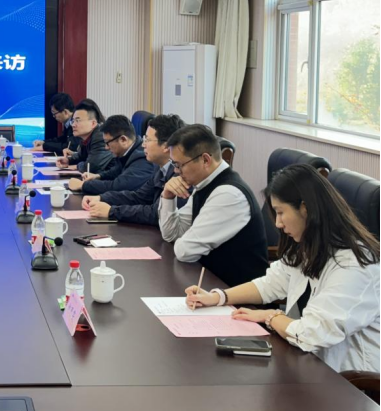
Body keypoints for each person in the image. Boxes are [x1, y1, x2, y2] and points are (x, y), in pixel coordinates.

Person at [186, 164, 380, 373]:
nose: (278, 223)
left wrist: (271, 317)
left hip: (349, 380)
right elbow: (271, 284)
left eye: (280, 212)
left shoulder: (355, 266)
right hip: (306, 362)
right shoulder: (310, 245)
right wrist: (218, 297)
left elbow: (311, 334)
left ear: (305, 208)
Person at [158, 124, 268, 287]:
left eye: (179, 165)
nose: (176, 171)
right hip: (211, 286)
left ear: (205, 160)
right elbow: (172, 234)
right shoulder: (205, 184)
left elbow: (185, 251)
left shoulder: (228, 195)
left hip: (237, 294)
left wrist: (184, 239)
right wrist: (167, 196)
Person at [82, 114, 185, 224]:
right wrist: (102, 198)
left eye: (148, 140)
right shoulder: (161, 169)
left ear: (166, 146)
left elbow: (156, 213)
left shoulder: (182, 174)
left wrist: (112, 211)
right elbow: (138, 197)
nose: (143, 145)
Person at [69, 114, 155, 194]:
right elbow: (116, 171)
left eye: (107, 143)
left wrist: (83, 185)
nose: (106, 147)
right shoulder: (128, 151)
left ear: (123, 140)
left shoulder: (143, 159)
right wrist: (98, 176)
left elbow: (118, 187)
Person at [56, 99, 112, 177]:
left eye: (78, 121)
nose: (73, 125)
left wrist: (77, 166)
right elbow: (81, 156)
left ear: (93, 123)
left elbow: (90, 167)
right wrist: (68, 161)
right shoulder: (86, 136)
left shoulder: (100, 136)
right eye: (73, 121)